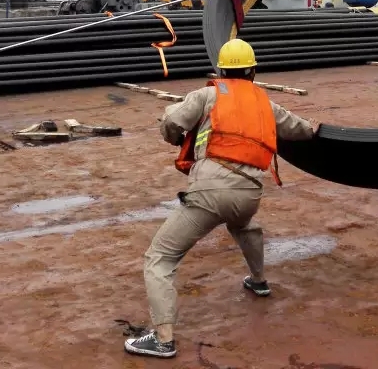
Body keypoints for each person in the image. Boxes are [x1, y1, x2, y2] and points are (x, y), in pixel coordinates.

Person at [125, 38, 319, 359]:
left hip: (210, 192)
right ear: (253, 72)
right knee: (243, 225)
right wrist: (326, 131)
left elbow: (172, 121)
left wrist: (174, 138)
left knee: (160, 258)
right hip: (250, 193)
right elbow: (301, 129)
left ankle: (163, 340)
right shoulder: (266, 103)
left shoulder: (207, 95)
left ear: (220, 71)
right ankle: (258, 281)